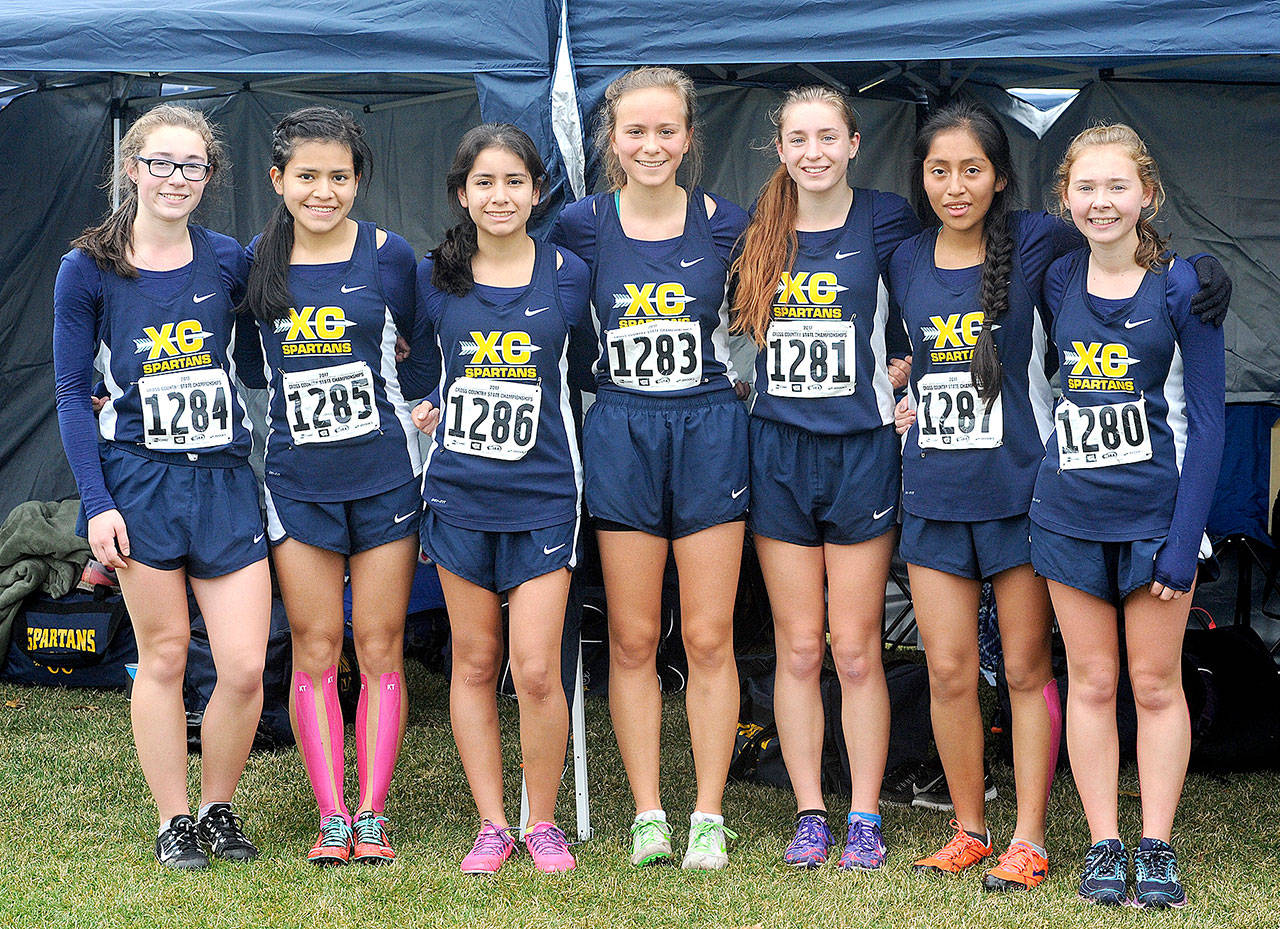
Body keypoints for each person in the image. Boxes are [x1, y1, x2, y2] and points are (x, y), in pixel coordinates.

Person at [53, 104, 270, 870]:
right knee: (166, 652)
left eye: (193, 166)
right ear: (133, 167)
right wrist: (97, 502)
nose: (178, 178)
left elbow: (288, 318)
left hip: (222, 478)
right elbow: (73, 392)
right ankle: (173, 818)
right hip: (139, 480)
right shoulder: (88, 267)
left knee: (244, 663)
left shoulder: (225, 260)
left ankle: (217, 805)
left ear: (209, 177)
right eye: (163, 163)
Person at [549, 66, 750, 870]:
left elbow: (782, 311)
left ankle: (707, 811)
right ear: (610, 140)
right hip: (622, 427)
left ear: (690, 137)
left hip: (708, 428)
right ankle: (647, 813)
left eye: (668, 130)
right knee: (632, 637)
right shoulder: (579, 224)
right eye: (635, 130)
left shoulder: (728, 223)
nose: (652, 145)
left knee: (706, 634)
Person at [1029, 123, 1224, 909]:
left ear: (1148, 194)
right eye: (1086, 187)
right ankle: (1105, 841)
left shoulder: (1183, 287)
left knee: (1153, 682)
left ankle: (1157, 843)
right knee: (1092, 679)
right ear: (1065, 197)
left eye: (1118, 187)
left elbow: (1208, 423)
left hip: (1155, 518)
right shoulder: (1054, 274)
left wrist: (1184, 545)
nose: (1101, 201)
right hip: (1069, 514)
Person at [731, 85, 920, 870]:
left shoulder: (887, 218)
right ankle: (812, 811)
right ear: (779, 147)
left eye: (827, 137)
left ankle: (866, 814)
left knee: (856, 648)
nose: (813, 151)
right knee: (799, 646)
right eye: (798, 138)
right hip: (777, 452)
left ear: (852, 141)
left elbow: (936, 305)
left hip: (861, 452)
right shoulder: (756, 229)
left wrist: (913, 381)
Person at [241, 106, 429, 866]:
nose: (325, 191)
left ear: (360, 180)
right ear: (279, 178)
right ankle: (331, 816)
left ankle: (373, 815)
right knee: (316, 646)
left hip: (384, 475)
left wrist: (414, 407)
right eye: (308, 176)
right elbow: (249, 365)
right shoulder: (254, 259)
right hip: (297, 482)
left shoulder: (391, 255)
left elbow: (420, 351)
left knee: (380, 646)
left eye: (340, 176)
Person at [410, 123, 590, 874]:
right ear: (461, 193)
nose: (500, 196)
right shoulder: (432, 276)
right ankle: (491, 822)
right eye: (484, 182)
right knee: (476, 663)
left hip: (546, 495)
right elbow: (412, 361)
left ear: (538, 191)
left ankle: (541, 820)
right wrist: (426, 401)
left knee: (538, 668)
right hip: (457, 498)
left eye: (515, 181)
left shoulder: (570, 273)